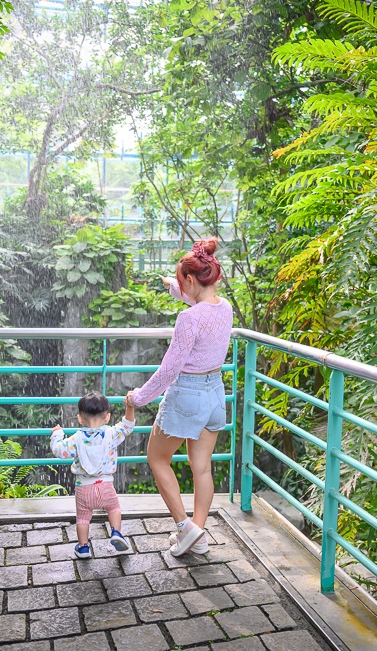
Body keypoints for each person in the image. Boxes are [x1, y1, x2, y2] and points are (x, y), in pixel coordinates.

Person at [126, 238, 233, 556]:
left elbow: (170, 369)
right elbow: (198, 302)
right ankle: (197, 535)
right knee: (202, 468)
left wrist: (138, 397)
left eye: (181, 280)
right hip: (215, 393)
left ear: (190, 279)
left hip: (187, 396)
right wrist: (173, 285)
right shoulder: (224, 307)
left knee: (157, 458)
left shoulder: (188, 319)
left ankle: (184, 527)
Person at [51, 391, 135, 558]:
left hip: (84, 488)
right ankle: (116, 533)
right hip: (105, 486)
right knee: (114, 508)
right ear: (107, 417)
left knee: (82, 518)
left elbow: (59, 450)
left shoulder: (76, 439)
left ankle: (83, 547)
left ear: (80, 419)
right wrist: (130, 407)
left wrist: (57, 434)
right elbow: (127, 426)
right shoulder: (112, 434)